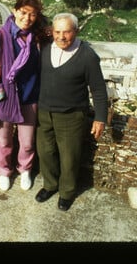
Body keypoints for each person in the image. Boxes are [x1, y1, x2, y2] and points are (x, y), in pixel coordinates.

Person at [35, 12, 108, 211]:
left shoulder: (87, 56)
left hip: (71, 115)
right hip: (44, 113)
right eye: (57, 32)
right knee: (45, 152)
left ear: (75, 31)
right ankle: (50, 185)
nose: (61, 37)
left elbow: (99, 89)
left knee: (69, 157)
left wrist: (100, 118)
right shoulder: (45, 49)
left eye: (66, 32)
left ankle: (67, 193)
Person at [0, 0, 50, 192]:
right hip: (5, 99)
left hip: (30, 98)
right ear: (14, 11)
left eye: (32, 14)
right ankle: (4, 171)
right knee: (4, 141)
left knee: (27, 143)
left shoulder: (36, 38)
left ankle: (25, 170)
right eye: (23, 12)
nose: (27, 18)